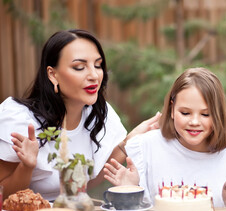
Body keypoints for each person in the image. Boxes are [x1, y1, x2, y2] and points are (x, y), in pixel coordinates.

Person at [0, 29, 160, 200]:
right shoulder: (20, 119)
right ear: (53, 75)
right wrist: (26, 166)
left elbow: (86, 183)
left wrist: (129, 141)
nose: (94, 75)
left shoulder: (100, 115)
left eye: (98, 65)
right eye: (79, 67)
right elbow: (3, 194)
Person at [104, 67, 226, 207]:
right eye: (185, 113)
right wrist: (129, 191)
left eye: (205, 114)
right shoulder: (147, 147)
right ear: (172, 110)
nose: (194, 122)